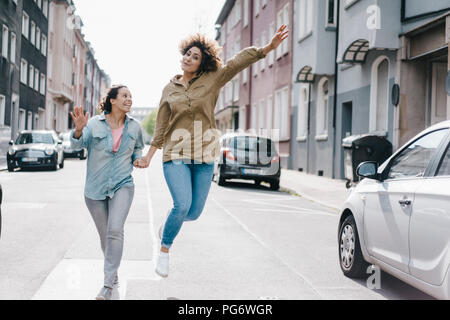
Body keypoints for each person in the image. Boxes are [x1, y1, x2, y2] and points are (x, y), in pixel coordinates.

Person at [134, 25, 289, 278]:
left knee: (193, 213)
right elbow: (161, 128)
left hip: (205, 155)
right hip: (176, 154)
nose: (189, 58)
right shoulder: (169, 90)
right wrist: (148, 157)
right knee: (182, 204)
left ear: (202, 62)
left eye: (196, 57)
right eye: (187, 54)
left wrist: (266, 50)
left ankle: (170, 223)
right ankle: (164, 249)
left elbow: (235, 64)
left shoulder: (212, 78)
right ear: (182, 55)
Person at [70, 85, 144, 300]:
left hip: (123, 183)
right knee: (105, 238)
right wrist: (77, 130)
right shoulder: (93, 124)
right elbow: (77, 146)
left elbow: (137, 148)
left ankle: (107, 285)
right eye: (124, 96)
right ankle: (113, 274)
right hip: (95, 189)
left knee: (114, 231)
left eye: (131, 96)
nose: (129, 99)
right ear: (112, 100)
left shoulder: (135, 126)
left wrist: (138, 158)